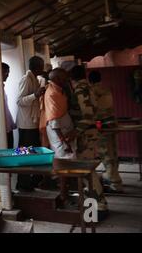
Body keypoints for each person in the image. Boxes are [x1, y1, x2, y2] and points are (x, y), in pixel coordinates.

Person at [70, 65, 109, 220]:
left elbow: (88, 115)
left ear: (72, 78)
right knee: (88, 171)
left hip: (86, 135)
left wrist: (75, 131)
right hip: (90, 133)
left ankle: (100, 206)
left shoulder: (80, 89)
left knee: (87, 172)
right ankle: (98, 202)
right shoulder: (89, 87)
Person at [88, 70, 123, 193]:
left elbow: (92, 109)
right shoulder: (106, 89)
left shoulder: (92, 91)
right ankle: (115, 179)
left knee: (106, 154)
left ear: (90, 80)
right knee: (113, 151)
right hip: (112, 125)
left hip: (101, 126)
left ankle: (114, 181)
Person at [16, 56, 46, 191]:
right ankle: (23, 184)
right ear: (37, 67)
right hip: (26, 124)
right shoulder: (26, 79)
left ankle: (32, 182)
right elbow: (19, 101)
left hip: (32, 123)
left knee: (32, 153)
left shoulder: (35, 79)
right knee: (24, 155)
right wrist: (35, 95)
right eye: (42, 65)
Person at [42, 68, 76, 159]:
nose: (67, 79)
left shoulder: (59, 90)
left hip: (65, 132)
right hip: (60, 135)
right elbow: (54, 121)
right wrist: (63, 142)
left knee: (71, 161)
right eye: (64, 77)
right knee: (64, 160)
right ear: (57, 79)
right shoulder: (52, 94)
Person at [2, 63, 16, 148]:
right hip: (3, 128)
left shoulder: (2, 87)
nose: (8, 75)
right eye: (5, 73)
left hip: (8, 126)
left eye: (8, 73)